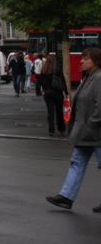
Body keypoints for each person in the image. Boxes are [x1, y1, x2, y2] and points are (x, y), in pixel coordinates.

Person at [46, 47, 101, 213]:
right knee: (76, 162)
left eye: (86, 58)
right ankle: (66, 196)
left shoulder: (99, 78)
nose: (82, 61)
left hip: (96, 133)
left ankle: (67, 196)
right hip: (86, 133)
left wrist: (91, 124)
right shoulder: (89, 77)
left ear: (96, 61)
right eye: (82, 58)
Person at [40, 54, 67, 137]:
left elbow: (40, 82)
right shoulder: (58, 70)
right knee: (59, 112)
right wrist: (66, 93)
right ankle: (61, 129)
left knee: (50, 112)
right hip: (58, 93)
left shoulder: (44, 70)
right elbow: (63, 81)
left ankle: (51, 131)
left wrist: (43, 90)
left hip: (48, 93)